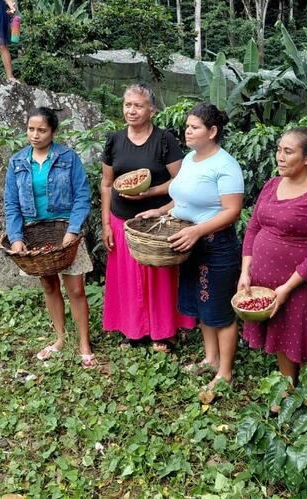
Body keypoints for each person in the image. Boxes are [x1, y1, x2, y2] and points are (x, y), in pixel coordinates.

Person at [137, 103, 244, 395]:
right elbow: (183, 201)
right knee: (200, 305)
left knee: (219, 311)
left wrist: (198, 230)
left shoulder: (225, 165)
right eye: (187, 126)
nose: (187, 131)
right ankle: (210, 359)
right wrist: (159, 212)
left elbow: (232, 211)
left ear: (212, 131)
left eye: (194, 127)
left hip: (215, 244)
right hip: (188, 241)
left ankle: (225, 373)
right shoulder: (191, 159)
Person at [239, 127, 307, 389]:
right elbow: (253, 228)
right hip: (264, 282)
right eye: (278, 150)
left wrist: (287, 287)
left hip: (300, 285)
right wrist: (245, 271)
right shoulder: (272, 185)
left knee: (304, 342)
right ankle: (287, 391)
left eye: (288, 151)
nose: (280, 157)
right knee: (281, 337)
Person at [101, 84, 194, 352]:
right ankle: (133, 331)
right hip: (121, 221)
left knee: (159, 276)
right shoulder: (115, 140)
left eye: (138, 105)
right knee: (128, 277)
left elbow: (181, 180)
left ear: (152, 110)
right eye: (128, 104)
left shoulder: (165, 140)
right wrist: (106, 223)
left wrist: (149, 192)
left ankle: (163, 333)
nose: (132, 110)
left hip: (156, 221)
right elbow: (107, 183)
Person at [3, 107, 97, 368]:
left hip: (67, 230)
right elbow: (11, 203)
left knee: (76, 289)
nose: (35, 135)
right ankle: (60, 338)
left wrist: (73, 229)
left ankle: (84, 343)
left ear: (53, 132)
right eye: (31, 129)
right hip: (35, 232)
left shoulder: (68, 157)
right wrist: (16, 237)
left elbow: (81, 195)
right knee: (48, 285)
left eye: (42, 130)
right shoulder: (18, 162)